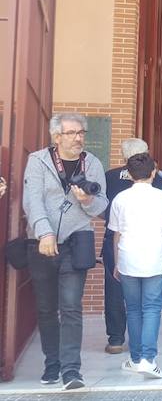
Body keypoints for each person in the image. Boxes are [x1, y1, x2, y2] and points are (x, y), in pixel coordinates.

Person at [22, 113, 108, 389]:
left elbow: (102, 205)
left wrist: (87, 200)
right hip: (43, 243)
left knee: (70, 307)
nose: (78, 137)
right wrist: (44, 232)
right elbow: (32, 200)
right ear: (56, 136)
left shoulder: (92, 162)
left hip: (76, 242)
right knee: (47, 308)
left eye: (81, 132)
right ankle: (52, 363)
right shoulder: (38, 160)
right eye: (71, 133)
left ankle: (71, 371)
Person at [102, 138, 162, 355]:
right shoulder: (155, 182)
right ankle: (146, 352)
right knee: (151, 304)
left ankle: (116, 340)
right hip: (151, 246)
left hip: (118, 243)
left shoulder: (109, 176)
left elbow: (102, 209)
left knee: (115, 292)